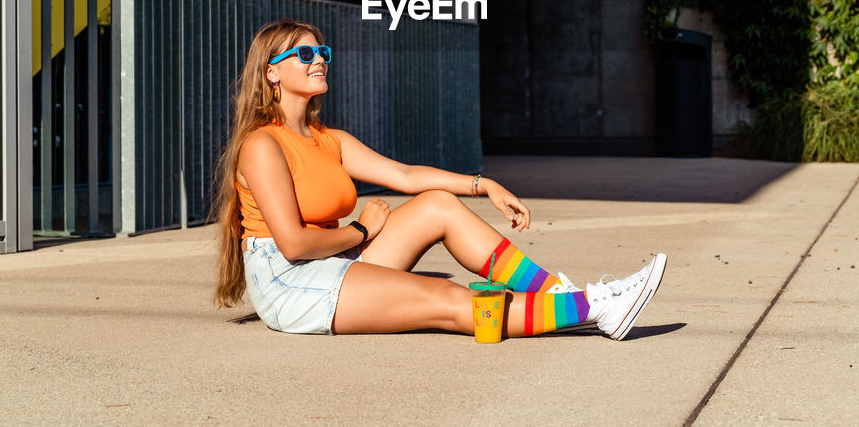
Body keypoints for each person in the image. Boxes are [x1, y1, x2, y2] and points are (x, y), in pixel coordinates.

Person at [211, 18, 667, 339]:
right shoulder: (261, 145)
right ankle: (595, 308)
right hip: (290, 280)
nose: (320, 60)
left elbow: (407, 176)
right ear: (272, 73)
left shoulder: (328, 138)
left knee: (439, 204)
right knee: (448, 298)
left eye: (322, 52)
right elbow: (293, 243)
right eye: (305, 54)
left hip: (332, 258)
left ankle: (560, 294)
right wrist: (364, 229)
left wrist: (482, 184)